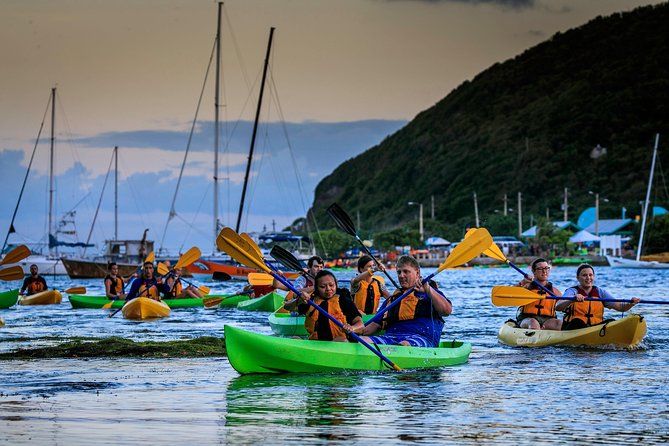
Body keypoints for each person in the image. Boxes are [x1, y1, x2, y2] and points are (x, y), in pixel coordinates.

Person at [352, 255, 451, 347]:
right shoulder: (393, 299)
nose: (401, 275)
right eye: (399, 272)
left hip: (421, 338)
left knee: (403, 344)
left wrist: (428, 289)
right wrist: (352, 331)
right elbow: (374, 325)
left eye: (406, 271)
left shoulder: (430, 292)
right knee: (361, 340)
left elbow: (446, 311)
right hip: (391, 337)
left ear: (417, 273)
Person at [555, 264, 640, 330]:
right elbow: (558, 307)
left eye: (590, 275)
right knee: (578, 321)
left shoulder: (600, 292)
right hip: (574, 327)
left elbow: (621, 308)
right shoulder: (572, 291)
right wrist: (572, 300)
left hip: (594, 327)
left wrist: (631, 303)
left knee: (611, 322)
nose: (588, 278)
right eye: (584, 275)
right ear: (578, 278)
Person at [285, 270, 363, 342]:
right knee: (295, 339)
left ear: (336, 284)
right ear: (316, 288)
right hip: (317, 344)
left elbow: (361, 325)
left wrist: (352, 328)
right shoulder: (310, 301)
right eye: (322, 287)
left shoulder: (344, 300)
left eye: (331, 285)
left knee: (341, 340)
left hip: (341, 344)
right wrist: (298, 301)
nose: (328, 289)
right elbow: (287, 307)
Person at [513, 258, 562, 330]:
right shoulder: (527, 286)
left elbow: (564, 306)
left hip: (547, 320)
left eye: (546, 268)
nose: (544, 271)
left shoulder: (554, 291)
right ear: (534, 271)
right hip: (527, 319)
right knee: (533, 322)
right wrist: (522, 282)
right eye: (540, 269)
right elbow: (511, 295)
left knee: (560, 323)